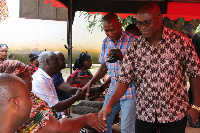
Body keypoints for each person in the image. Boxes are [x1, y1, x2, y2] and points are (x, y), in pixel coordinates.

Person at [98, 2, 200, 133]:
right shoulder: (135, 47)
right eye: (139, 23)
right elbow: (123, 79)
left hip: (174, 112)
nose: (143, 27)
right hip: (145, 114)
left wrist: (196, 106)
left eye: (147, 22)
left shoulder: (181, 42)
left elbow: (195, 73)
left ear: (160, 19)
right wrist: (109, 105)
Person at [0, 59, 106, 133]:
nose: (32, 79)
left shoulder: (25, 95)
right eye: (28, 76)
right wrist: (85, 119)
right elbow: (56, 127)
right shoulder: (24, 102)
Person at [82, 13, 137, 133]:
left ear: (120, 25)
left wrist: (122, 57)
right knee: (103, 121)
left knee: (127, 128)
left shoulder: (134, 41)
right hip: (113, 89)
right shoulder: (106, 42)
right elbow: (103, 68)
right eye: (106, 30)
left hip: (130, 91)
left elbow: (140, 68)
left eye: (113, 29)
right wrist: (91, 83)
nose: (110, 34)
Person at [54, 51, 104, 116]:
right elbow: (71, 90)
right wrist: (98, 88)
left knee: (102, 104)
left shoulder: (86, 72)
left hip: (73, 100)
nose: (65, 62)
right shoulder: (80, 73)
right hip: (70, 103)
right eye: (63, 60)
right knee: (98, 110)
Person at [182, 23, 200, 128]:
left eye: (184, 31)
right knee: (191, 94)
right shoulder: (193, 40)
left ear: (188, 30)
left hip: (198, 73)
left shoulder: (198, 40)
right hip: (194, 73)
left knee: (195, 95)